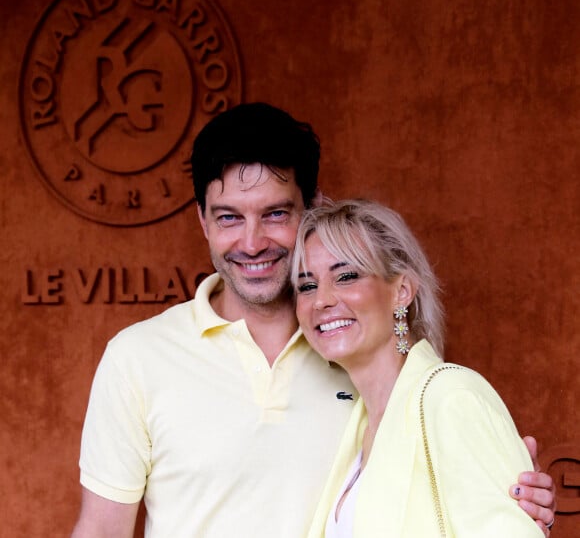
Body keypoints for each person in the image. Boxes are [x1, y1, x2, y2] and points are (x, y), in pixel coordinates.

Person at [71, 103, 555, 538]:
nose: (253, 242)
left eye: (275, 213)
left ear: (311, 209)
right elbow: (100, 531)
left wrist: (509, 492)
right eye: (229, 218)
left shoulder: (362, 354)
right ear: (202, 221)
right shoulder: (138, 357)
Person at [291, 198, 552, 537]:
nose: (321, 300)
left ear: (401, 291)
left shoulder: (452, 396)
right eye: (307, 285)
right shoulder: (355, 427)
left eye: (346, 276)